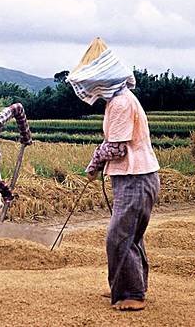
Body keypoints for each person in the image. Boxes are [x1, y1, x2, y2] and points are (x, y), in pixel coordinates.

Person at [67, 38, 160, 311]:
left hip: (136, 176)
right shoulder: (118, 100)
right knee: (129, 235)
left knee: (119, 236)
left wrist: (94, 163)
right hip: (133, 176)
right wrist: (97, 163)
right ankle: (126, 287)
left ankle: (132, 293)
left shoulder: (121, 103)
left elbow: (117, 147)